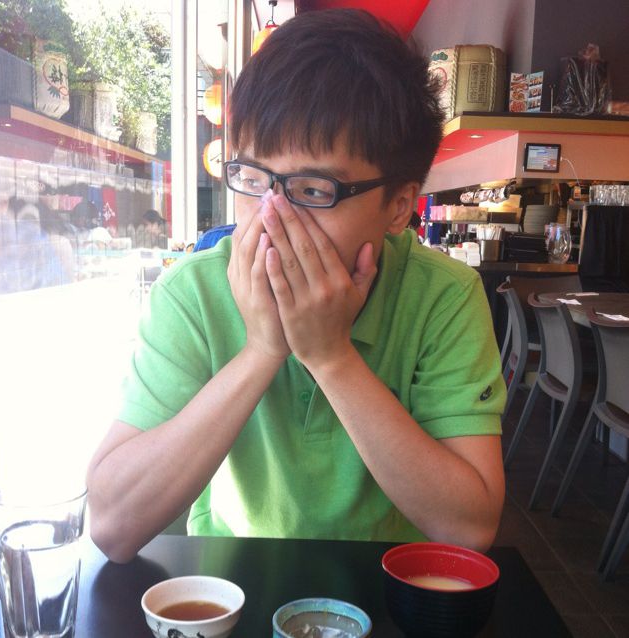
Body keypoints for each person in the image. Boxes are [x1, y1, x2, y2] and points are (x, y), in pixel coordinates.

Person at [87, 9, 506, 563]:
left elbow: (470, 528)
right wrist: (262, 349)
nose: (271, 217)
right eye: (252, 178)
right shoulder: (193, 293)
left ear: (400, 205)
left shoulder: (443, 297)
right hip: (230, 586)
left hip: (385, 587)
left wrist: (331, 356)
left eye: (312, 190)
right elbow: (111, 525)